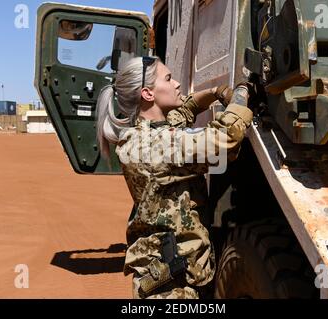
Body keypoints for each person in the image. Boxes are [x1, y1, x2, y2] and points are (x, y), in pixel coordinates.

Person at [96, 56, 253, 299]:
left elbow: (186, 109)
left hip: (179, 268)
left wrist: (215, 92)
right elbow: (225, 138)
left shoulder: (152, 130)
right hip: (170, 285)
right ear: (148, 94)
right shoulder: (152, 146)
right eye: (168, 79)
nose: (177, 83)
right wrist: (242, 93)